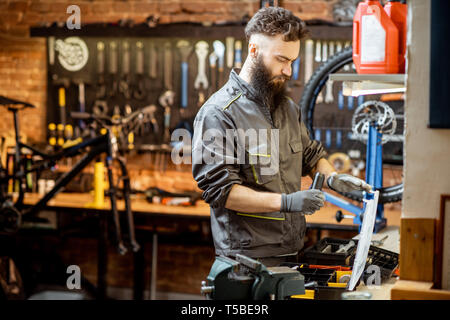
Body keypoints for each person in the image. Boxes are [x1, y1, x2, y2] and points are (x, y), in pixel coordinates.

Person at [192, 7, 371, 267]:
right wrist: (287, 202)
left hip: (292, 252)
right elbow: (222, 191)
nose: (288, 71)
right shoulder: (219, 113)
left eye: (292, 62)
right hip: (245, 263)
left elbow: (310, 155)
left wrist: (333, 177)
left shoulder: (287, 108)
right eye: (281, 60)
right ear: (253, 50)